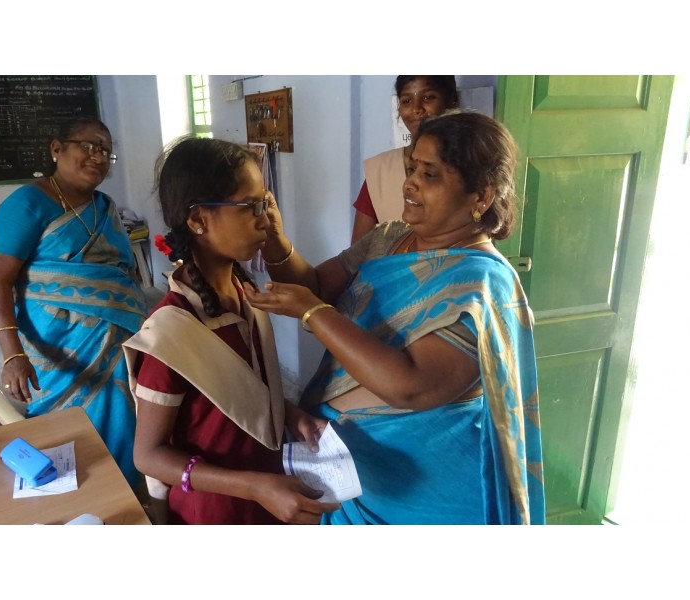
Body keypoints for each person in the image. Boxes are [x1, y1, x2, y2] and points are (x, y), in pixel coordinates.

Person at [245, 111, 546, 524]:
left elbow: (410, 387)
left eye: (430, 174)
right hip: (347, 470)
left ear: (480, 197)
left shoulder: (481, 285)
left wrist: (314, 313)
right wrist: (276, 241)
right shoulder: (389, 239)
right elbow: (317, 285)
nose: (410, 183)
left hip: (422, 489)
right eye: (412, 168)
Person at [122, 137, 340, 525]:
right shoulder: (170, 333)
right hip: (215, 512)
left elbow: (234, 398)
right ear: (198, 220)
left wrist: (290, 416)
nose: (265, 220)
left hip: (268, 495)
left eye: (265, 204)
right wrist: (254, 486)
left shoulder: (245, 297)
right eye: (250, 207)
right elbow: (149, 455)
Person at [0, 116, 147, 490]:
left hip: (118, 340)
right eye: (88, 146)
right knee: (64, 432)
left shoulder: (105, 207)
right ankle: (76, 500)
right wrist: (12, 354)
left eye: (106, 152)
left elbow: (123, 271)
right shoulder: (27, 203)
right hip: (58, 345)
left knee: (125, 419)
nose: (98, 157)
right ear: (56, 149)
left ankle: (124, 495)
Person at [351, 75, 459, 243]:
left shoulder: (469, 164)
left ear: (451, 100)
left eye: (428, 97)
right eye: (406, 101)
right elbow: (358, 252)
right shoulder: (381, 171)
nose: (416, 109)